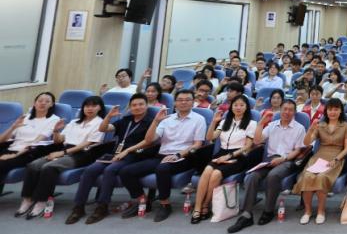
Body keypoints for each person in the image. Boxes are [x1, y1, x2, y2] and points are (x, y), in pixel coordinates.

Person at [119, 90, 208, 222]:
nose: (183, 102)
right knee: (126, 172)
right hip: (162, 156)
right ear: (175, 102)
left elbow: (197, 144)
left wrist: (177, 155)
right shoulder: (167, 119)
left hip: (185, 157)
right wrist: (155, 122)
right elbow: (149, 140)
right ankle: (143, 201)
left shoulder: (199, 119)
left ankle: (165, 204)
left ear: (192, 102)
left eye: (187, 99)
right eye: (180, 100)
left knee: (162, 168)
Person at [67, 93, 155, 224]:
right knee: (90, 170)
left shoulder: (151, 121)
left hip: (134, 155)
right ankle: (79, 207)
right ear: (130, 107)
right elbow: (103, 128)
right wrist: (109, 116)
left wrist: (127, 151)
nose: (137, 107)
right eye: (134, 105)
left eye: (141, 104)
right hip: (115, 154)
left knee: (110, 170)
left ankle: (102, 206)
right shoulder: (126, 120)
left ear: (147, 106)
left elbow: (149, 141)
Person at [18, 96, 106, 219]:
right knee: (33, 165)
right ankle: (28, 199)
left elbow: (85, 145)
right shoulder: (74, 122)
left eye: (94, 106)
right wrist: (56, 131)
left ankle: (42, 201)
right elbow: (59, 140)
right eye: (87, 106)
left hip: (82, 154)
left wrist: (62, 153)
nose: (89, 108)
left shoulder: (101, 124)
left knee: (49, 167)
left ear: (100, 108)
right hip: (64, 150)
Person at [228, 98, 307, 233]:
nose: (287, 112)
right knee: (252, 176)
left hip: (288, 160)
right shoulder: (272, 125)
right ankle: (247, 214)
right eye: (284, 109)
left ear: (294, 112)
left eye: (290, 110)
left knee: (273, 175)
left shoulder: (299, 128)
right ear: (280, 110)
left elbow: (298, 151)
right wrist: (261, 124)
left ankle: (268, 211)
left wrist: (283, 159)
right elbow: (257, 141)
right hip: (270, 160)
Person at [191, 95, 257, 223]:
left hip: (238, 155)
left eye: (241, 105)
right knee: (207, 172)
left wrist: (229, 156)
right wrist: (214, 122)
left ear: (246, 107)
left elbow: (248, 146)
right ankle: (197, 208)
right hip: (221, 153)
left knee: (216, 174)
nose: (238, 107)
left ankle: (206, 205)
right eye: (235, 105)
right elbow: (210, 138)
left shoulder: (251, 123)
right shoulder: (224, 121)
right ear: (231, 107)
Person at [293, 98, 347, 225]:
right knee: (307, 176)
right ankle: (307, 212)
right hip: (319, 156)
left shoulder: (346, 126)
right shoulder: (320, 125)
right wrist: (311, 129)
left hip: (336, 157)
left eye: (336, 109)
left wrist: (336, 159)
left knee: (321, 177)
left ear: (341, 111)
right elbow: (306, 143)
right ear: (326, 111)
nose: (332, 112)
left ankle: (321, 211)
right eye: (330, 109)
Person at [0, 92, 61, 197]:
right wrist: (13, 127)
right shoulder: (25, 118)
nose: (43, 103)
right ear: (34, 103)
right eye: (40, 101)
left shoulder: (54, 119)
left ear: (52, 104)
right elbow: (2, 140)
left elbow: (36, 142)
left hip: (30, 153)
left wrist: (14, 155)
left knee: (1, 164)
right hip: (13, 148)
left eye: (47, 101)